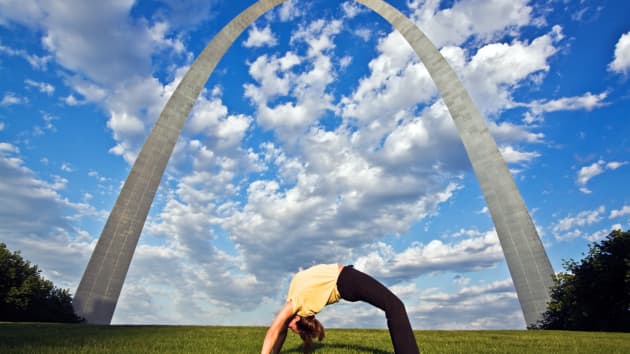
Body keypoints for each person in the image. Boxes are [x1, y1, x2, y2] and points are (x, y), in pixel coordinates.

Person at [260, 264, 420, 354]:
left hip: (346, 282)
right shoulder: (297, 303)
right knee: (395, 307)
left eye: (288, 324)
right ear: (299, 318)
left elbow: (279, 332)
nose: (286, 322)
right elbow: (274, 332)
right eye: (290, 324)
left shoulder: (294, 299)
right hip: (346, 279)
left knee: (394, 307)